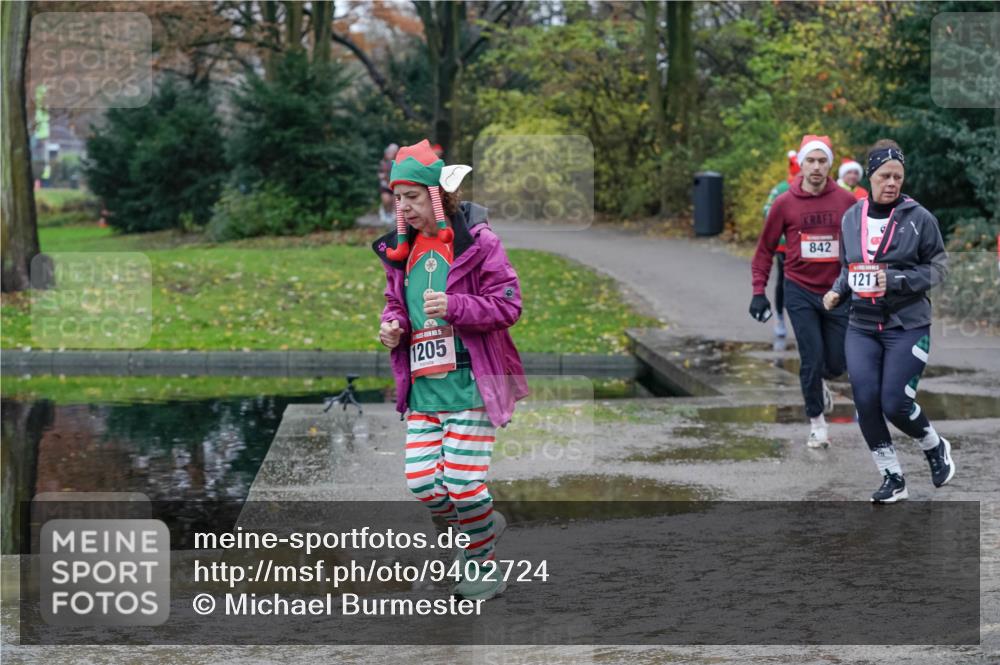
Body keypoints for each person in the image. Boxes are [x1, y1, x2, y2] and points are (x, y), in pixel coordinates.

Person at [373, 139, 529, 600]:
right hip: (424, 388)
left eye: (413, 197)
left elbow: (508, 304)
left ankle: (484, 567)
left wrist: (456, 305)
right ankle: (481, 527)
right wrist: (392, 326)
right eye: (398, 198)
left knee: (463, 483)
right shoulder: (401, 252)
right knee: (423, 483)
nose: (404, 206)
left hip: (472, 382)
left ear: (437, 196)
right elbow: (393, 305)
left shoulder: (479, 243)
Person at [823, 139, 953, 503]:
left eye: (898, 176)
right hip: (861, 326)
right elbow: (850, 267)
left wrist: (896, 280)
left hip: (906, 324)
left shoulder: (920, 218)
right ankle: (892, 477)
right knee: (865, 401)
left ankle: (933, 444)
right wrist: (837, 290)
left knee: (894, 402)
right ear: (871, 176)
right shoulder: (852, 217)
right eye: (884, 176)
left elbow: (940, 267)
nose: (892, 182)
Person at [750, 134, 857, 448]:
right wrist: (759, 292)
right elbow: (764, 250)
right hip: (799, 289)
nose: (816, 167)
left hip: (837, 291)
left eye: (822, 161)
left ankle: (821, 384)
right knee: (811, 357)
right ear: (800, 162)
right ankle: (817, 423)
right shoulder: (785, 203)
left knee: (836, 363)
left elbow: (862, 244)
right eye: (810, 160)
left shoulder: (846, 201)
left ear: (830, 165)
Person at [762, 150, 801, 338]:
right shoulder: (780, 189)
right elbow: (767, 210)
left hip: (809, 246)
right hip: (785, 246)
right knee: (784, 280)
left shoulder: (816, 188)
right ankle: (779, 318)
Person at [378, 143, 399, 225]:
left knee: (396, 200)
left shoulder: (398, 162)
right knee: (386, 200)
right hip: (385, 186)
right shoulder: (383, 163)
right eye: (389, 152)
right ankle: (386, 211)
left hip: (395, 185)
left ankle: (394, 214)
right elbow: (380, 175)